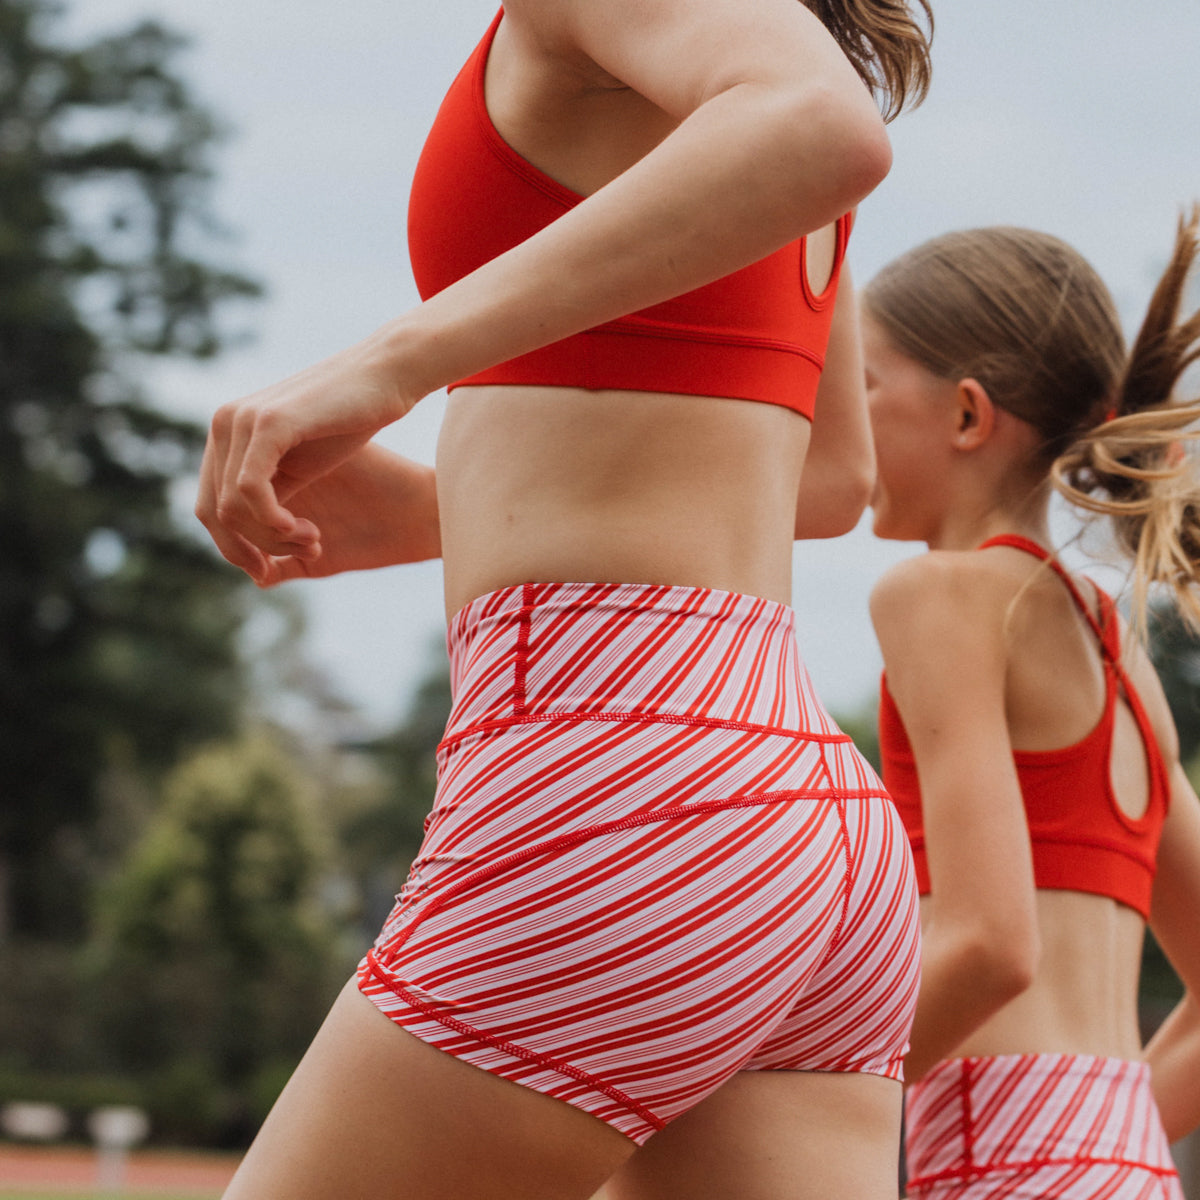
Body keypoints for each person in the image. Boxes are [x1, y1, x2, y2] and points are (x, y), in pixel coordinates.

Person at [195, 1, 934, 1197]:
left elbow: (827, 127)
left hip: (615, 780)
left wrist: (385, 367)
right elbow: (832, 481)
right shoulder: (745, 47)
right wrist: (438, 511)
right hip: (806, 818)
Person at [863, 212, 1200, 1198]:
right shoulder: (1118, 651)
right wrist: (1097, 1135)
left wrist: (809, 1093)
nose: (836, 413)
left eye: (865, 383)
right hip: (1124, 1168)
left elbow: (991, 943)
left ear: (968, 415)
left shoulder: (939, 597)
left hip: (999, 1166)